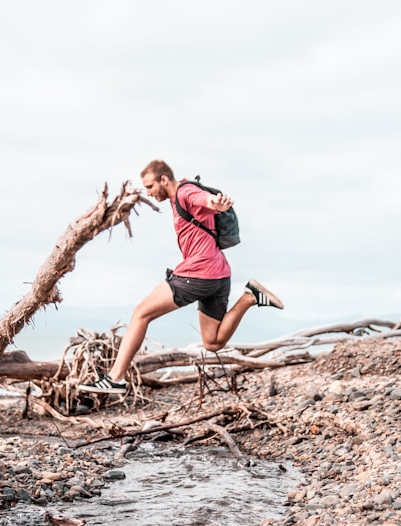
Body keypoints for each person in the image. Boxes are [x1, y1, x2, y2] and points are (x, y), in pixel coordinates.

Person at [78, 159, 284, 394]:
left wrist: (215, 203)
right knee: (213, 342)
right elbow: (203, 202)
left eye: (150, 187)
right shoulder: (181, 196)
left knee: (140, 313)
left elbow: (202, 199)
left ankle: (116, 377)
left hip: (198, 273)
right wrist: (212, 204)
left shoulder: (185, 192)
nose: (148, 193)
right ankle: (250, 297)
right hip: (219, 275)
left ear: (163, 179)